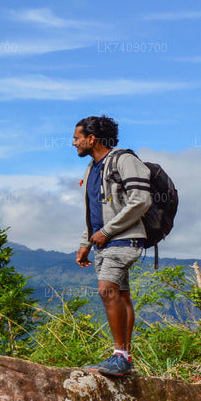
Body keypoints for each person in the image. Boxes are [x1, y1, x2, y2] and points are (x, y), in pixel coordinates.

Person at [72, 115, 151, 377]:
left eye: (77, 138)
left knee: (107, 289)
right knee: (121, 294)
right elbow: (93, 211)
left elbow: (140, 200)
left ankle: (119, 355)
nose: (74, 143)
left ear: (91, 139)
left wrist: (106, 231)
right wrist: (85, 243)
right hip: (104, 242)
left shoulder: (124, 160)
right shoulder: (92, 169)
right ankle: (124, 357)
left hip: (124, 238)